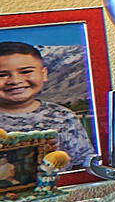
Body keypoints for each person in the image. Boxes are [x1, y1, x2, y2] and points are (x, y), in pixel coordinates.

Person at [0, 39, 96, 172]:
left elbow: (83, 164)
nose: (15, 81)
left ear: (44, 74)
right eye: (2, 75)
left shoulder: (63, 117)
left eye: (26, 72)